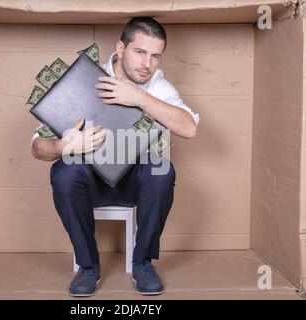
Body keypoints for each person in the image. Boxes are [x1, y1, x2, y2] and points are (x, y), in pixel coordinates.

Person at [31, 17, 200, 297]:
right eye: (140, 52)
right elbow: (37, 147)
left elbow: (189, 127)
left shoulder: (156, 85)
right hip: (90, 182)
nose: (147, 64)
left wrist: (138, 97)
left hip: (132, 182)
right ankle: (87, 267)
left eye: (156, 56)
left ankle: (143, 264)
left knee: (161, 169)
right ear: (121, 48)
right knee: (65, 171)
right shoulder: (83, 78)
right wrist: (64, 146)